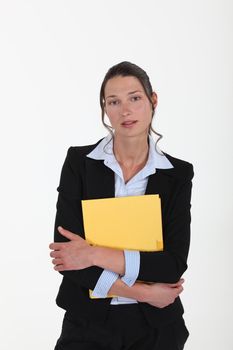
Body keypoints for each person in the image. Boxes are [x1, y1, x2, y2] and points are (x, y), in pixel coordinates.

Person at [49, 61, 194, 350]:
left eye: (135, 98)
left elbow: (171, 265)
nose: (125, 110)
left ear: (153, 101)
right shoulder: (80, 163)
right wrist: (144, 292)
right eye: (113, 101)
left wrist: (93, 253)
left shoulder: (177, 174)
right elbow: (68, 259)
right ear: (105, 108)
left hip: (157, 329)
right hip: (87, 323)